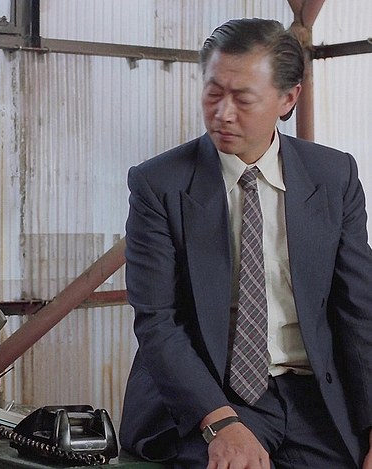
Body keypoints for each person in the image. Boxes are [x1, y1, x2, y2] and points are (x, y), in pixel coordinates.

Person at [119, 18, 372, 469]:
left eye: (243, 98)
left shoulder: (334, 177)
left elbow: (360, 310)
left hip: (314, 395)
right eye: (213, 93)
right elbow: (158, 321)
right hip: (209, 396)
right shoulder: (159, 184)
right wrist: (220, 423)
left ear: (287, 99)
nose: (223, 113)